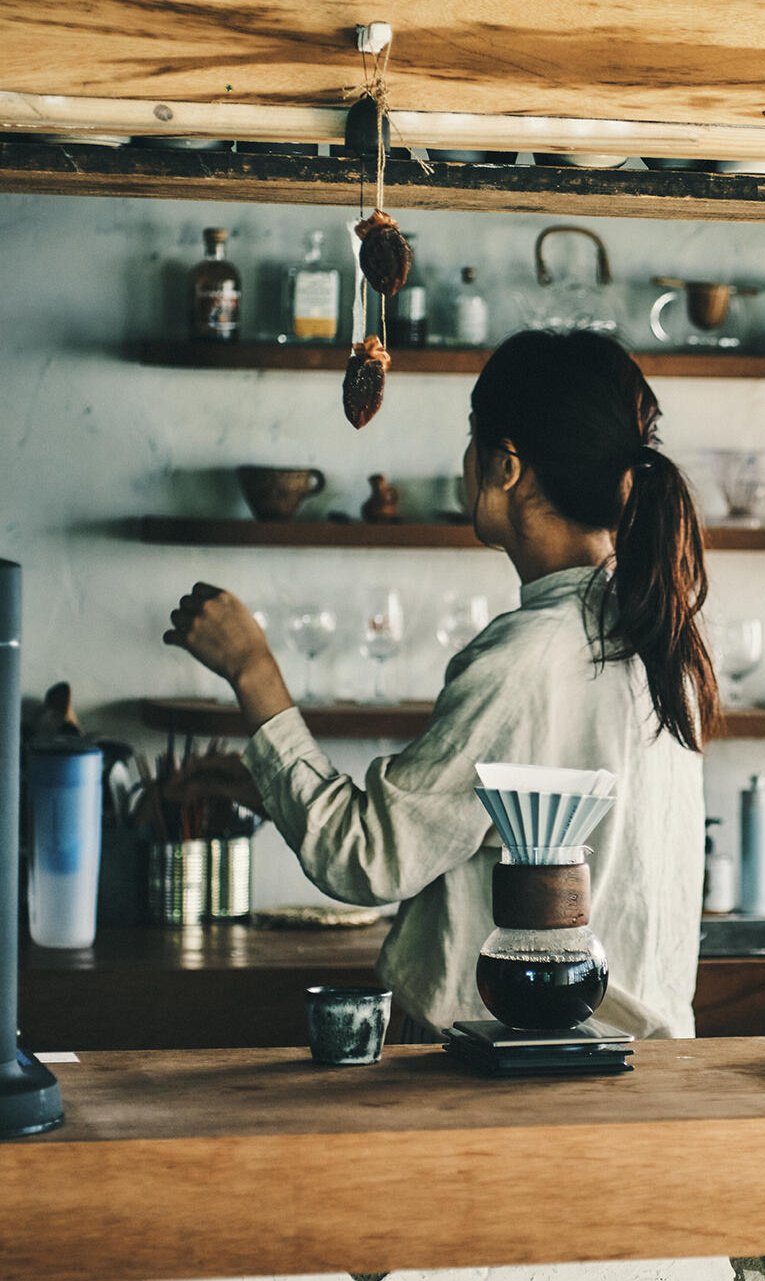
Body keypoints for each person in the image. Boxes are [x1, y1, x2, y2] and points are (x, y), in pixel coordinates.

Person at [164, 329, 718, 1038]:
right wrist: (267, 789)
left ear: (506, 466)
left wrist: (253, 671)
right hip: (631, 1070)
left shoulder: (526, 657)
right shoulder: (657, 635)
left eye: (471, 438)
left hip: (515, 1070)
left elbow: (365, 861)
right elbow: (471, 830)